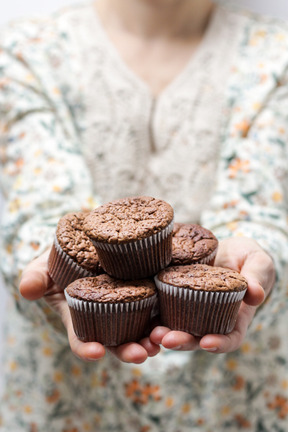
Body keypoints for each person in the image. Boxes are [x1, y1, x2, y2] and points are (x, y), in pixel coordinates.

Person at [0, 0, 288, 430]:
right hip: (68, 406)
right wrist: (54, 262)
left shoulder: (277, 60)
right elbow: (36, 212)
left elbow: (265, 210)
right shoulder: (23, 54)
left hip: (233, 405)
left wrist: (258, 257)